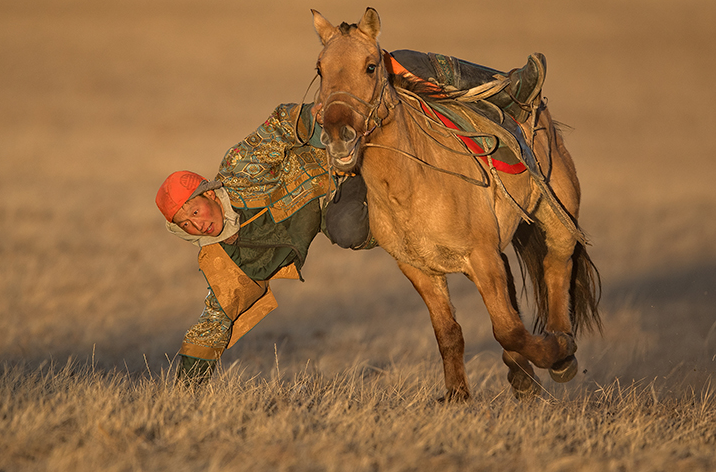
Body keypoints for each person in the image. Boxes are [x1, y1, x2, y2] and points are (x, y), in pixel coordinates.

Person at [156, 50, 547, 385]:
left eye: (194, 209)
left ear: (207, 192)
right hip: (338, 197)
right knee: (349, 230)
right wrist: (187, 384)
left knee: (397, 64)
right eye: (185, 224)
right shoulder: (221, 260)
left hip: (338, 148)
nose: (196, 223)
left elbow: (279, 125)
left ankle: (509, 89)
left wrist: (331, 128)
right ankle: (435, 237)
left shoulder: (239, 169)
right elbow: (214, 318)